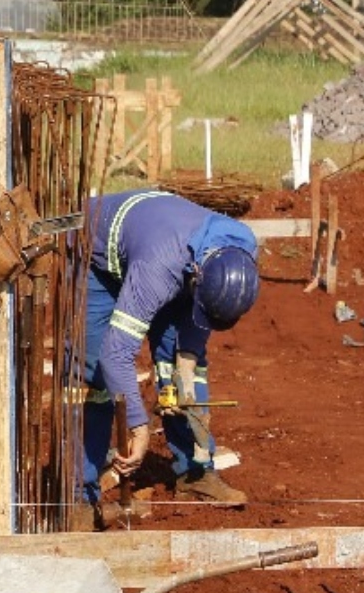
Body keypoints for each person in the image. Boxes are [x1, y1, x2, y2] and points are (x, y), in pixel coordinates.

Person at [79, 188, 260, 514]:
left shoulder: (238, 251)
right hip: (99, 256)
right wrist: (138, 426)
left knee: (186, 372)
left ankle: (195, 473)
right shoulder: (158, 270)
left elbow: (198, 317)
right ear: (196, 277)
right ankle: (81, 493)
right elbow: (116, 352)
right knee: (97, 374)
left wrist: (186, 367)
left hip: (164, 252)